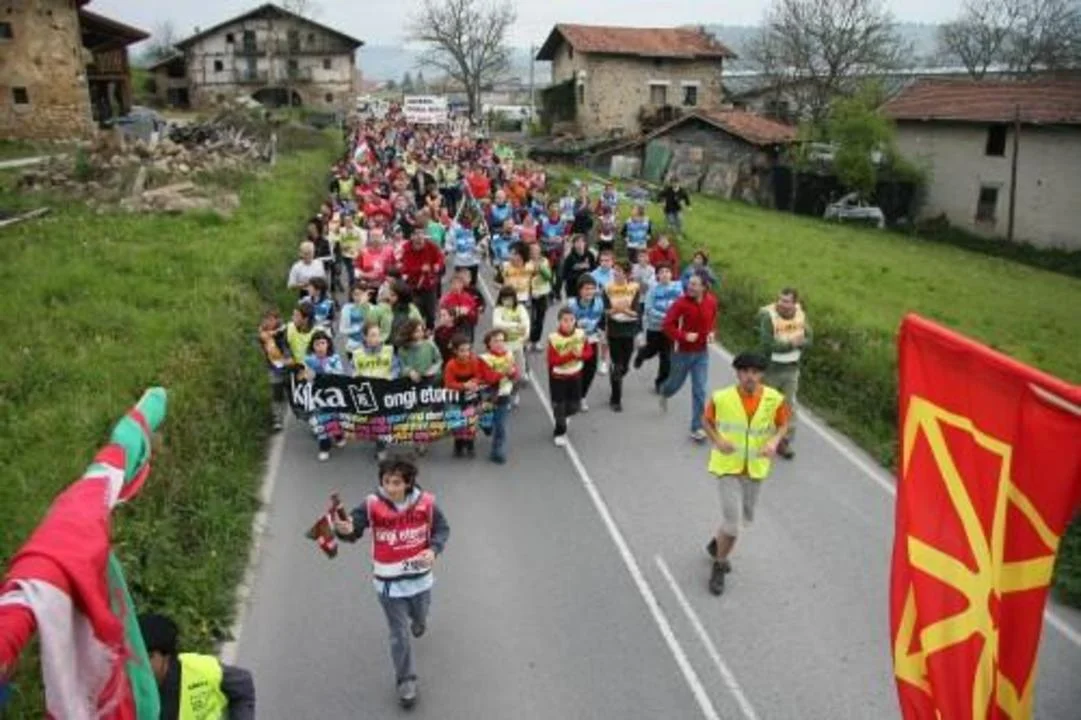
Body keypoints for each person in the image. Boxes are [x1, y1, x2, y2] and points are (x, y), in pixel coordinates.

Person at [333, 456, 451, 709]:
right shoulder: (371, 504)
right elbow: (353, 529)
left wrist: (433, 549)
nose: (390, 487)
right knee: (399, 634)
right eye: (386, 481)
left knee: (420, 616)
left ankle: (419, 620)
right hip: (388, 584)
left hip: (420, 580)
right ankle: (406, 680)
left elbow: (442, 529)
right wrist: (344, 530)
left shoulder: (427, 503)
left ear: (408, 483)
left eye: (396, 483)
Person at [701, 352, 791, 596]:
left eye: (755, 372)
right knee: (733, 527)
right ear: (738, 373)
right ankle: (719, 565)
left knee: (742, 520)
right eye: (745, 372)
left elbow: (783, 424)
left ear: (761, 375)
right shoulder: (722, 397)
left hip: (755, 469)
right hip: (728, 467)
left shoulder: (774, 399)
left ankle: (716, 545)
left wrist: (774, 441)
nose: (750, 377)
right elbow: (706, 421)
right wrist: (717, 440)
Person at [138, 613, 256, 720]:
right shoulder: (130, 688)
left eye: (148, 657)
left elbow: (243, 685)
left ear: (166, 656)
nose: (140, 663)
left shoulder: (201, 669)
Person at [659, 273, 718, 442]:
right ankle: (664, 391)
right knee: (674, 385)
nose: (689, 287)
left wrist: (712, 333)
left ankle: (697, 427)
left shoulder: (711, 301)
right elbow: (667, 325)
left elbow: (713, 320)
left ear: (704, 287)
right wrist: (684, 336)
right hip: (681, 353)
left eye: (694, 284)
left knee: (700, 390)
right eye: (689, 283)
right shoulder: (680, 303)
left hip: (701, 353)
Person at [757, 287, 812, 460]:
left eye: (786, 301)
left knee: (789, 407)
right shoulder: (769, 318)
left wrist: (801, 343)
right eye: (780, 299)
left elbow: (809, 339)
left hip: (792, 369)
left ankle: (784, 441)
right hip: (771, 370)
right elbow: (767, 345)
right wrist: (792, 344)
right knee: (767, 405)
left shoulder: (800, 316)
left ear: (795, 303)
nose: (782, 304)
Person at [443, 334, 500, 458]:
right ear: (455, 351)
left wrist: (473, 383)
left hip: (471, 396)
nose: (466, 353)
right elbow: (449, 383)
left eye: (468, 350)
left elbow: (479, 376)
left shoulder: (474, 361)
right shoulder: (450, 365)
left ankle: (470, 444)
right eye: (462, 351)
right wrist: (464, 385)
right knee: (457, 422)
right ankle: (458, 444)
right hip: (456, 398)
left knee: (471, 421)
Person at [547, 306, 592, 446]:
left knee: (574, 406)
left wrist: (581, 355)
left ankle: (564, 417)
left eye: (571, 320)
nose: (568, 323)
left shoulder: (581, 334)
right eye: (565, 320)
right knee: (559, 406)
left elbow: (589, 352)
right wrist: (571, 355)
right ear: (559, 322)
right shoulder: (554, 338)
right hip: (558, 377)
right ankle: (559, 432)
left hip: (575, 376)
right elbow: (552, 360)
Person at [634, 263, 682, 393]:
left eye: (667, 271)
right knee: (651, 351)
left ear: (671, 274)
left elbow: (682, 305)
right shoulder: (653, 290)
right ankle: (641, 354)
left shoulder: (678, 288)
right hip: (655, 327)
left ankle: (660, 383)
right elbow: (649, 309)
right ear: (657, 276)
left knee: (666, 357)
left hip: (670, 329)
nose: (665, 274)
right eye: (662, 272)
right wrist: (667, 317)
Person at [602, 260, 641, 412]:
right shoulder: (607, 288)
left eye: (619, 270)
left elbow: (636, 312)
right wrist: (617, 309)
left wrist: (622, 310)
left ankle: (615, 375)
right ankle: (615, 399)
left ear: (627, 274)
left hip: (629, 330)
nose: (615, 273)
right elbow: (605, 310)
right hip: (614, 330)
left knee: (624, 367)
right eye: (615, 270)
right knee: (617, 366)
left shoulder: (634, 288)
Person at [304, 329, 348, 462]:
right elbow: (306, 377)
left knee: (335, 418)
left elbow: (339, 373)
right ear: (313, 346)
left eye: (323, 343)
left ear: (328, 344)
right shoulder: (309, 360)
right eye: (317, 344)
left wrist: (325, 368)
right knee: (321, 421)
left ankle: (339, 436)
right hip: (318, 397)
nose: (320, 347)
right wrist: (309, 376)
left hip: (334, 396)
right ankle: (324, 448)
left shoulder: (334, 358)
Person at [479, 328, 520, 464]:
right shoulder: (484, 359)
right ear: (489, 343)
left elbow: (515, 374)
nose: (499, 344)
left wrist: (513, 373)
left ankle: (497, 450)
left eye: (502, 341)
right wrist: (505, 373)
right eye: (496, 341)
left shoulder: (509, 355)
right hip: (488, 395)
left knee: (501, 425)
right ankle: (486, 426)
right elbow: (489, 378)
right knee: (487, 423)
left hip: (503, 394)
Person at [566, 275, 605, 412]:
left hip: (592, 340)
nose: (590, 292)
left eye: (592, 289)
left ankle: (581, 397)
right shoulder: (571, 305)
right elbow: (564, 323)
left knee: (590, 370)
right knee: (575, 370)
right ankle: (572, 395)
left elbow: (603, 320)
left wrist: (600, 330)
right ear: (580, 290)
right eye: (586, 289)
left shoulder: (599, 303)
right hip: (575, 342)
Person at [399, 230, 445, 329]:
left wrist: (438, 265)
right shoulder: (405, 249)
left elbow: (440, 258)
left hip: (429, 286)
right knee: (415, 313)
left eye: (421, 237)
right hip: (413, 286)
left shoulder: (431, 246)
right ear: (412, 237)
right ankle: (417, 331)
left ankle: (430, 331)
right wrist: (420, 269)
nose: (419, 243)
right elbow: (404, 269)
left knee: (431, 314)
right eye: (416, 236)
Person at [492, 286, 531, 389]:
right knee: (507, 367)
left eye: (510, 299)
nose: (507, 302)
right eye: (505, 299)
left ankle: (520, 379)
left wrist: (526, 334)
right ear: (501, 299)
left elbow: (526, 322)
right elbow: (497, 324)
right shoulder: (499, 310)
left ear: (514, 298)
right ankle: (506, 384)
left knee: (520, 368)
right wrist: (515, 325)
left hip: (518, 342)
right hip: (504, 343)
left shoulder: (520, 308)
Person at [258, 309, 290, 431]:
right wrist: (271, 333)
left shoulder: (284, 330)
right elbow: (263, 337)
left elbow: (285, 329)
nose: (269, 322)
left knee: (293, 390)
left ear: (277, 320)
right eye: (266, 319)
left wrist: (276, 332)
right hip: (274, 367)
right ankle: (277, 419)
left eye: (272, 319)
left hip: (289, 365)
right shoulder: (263, 334)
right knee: (277, 393)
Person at [396, 318, 443, 384]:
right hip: (409, 382)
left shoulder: (430, 345)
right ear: (410, 332)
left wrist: (432, 370)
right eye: (417, 331)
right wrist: (409, 372)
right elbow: (400, 366)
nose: (421, 333)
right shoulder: (402, 349)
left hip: (429, 380)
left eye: (421, 330)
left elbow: (439, 360)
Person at [526, 242, 554, 353]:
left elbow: (549, 276)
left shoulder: (544, 261)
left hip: (542, 293)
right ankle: (528, 341)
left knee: (540, 319)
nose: (534, 252)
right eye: (532, 250)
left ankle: (536, 341)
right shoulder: (526, 262)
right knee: (530, 319)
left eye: (536, 250)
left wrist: (541, 268)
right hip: (529, 295)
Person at [439, 270, 480, 343]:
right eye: (454, 284)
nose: (456, 286)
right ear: (451, 285)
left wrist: (468, 312)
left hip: (466, 327)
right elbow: (443, 315)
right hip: (451, 327)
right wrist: (455, 311)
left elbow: (475, 315)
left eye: (458, 284)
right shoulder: (445, 299)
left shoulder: (468, 298)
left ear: (462, 285)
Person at [340, 284, 374, 359]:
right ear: (352, 296)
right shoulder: (347, 308)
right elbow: (342, 329)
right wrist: (357, 328)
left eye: (362, 294)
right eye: (356, 294)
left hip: (369, 345)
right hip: (353, 345)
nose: (359, 297)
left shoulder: (373, 308)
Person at [560, 234, 597, 300]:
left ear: (585, 243)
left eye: (582, 241)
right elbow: (564, 275)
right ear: (574, 244)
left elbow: (595, 270)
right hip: (573, 289)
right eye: (577, 242)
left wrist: (588, 273)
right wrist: (579, 273)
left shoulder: (590, 255)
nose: (580, 244)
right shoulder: (570, 258)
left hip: (587, 288)